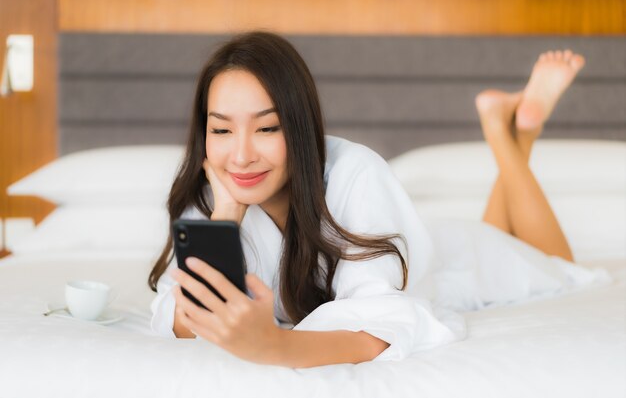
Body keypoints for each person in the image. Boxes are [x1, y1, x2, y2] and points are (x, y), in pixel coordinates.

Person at [148, 32, 602, 368]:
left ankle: (509, 136)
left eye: (267, 127)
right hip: (415, 244)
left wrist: (274, 347)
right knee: (505, 234)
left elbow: (382, 325)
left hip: (449, 260)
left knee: (559, 265)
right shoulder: (214, 188)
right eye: (222, 129)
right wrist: (225, 219)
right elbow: (173, 312)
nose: (241, 155)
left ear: (300, 127)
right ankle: (512, 129)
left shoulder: (356, 173)